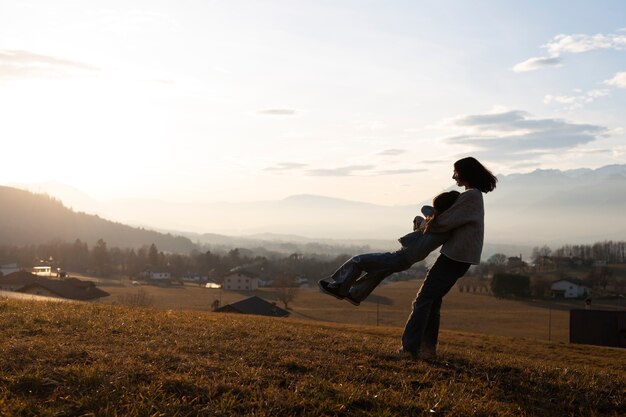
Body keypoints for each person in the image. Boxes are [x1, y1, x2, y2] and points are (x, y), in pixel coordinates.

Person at [400, 156, 497, 360]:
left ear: (465, 173)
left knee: (423, 299)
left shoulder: (471, 196)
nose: (453, 176)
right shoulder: (472, 196)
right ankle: (427, 349)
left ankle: (410, 348)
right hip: (459, 256)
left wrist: (424, 224)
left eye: (456, 172)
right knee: (432, 301)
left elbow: (444, 222)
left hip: (455, 256)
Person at [318, 190, 461, 306]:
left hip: (401, 257)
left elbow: (425, 209)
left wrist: (425, 221)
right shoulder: (441, 225)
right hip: (403, 258)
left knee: (358, 260)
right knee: (377, 273)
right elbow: (426, 213)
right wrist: (424, 223)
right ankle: (356, 295)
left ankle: (339, 287)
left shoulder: (442, 225)